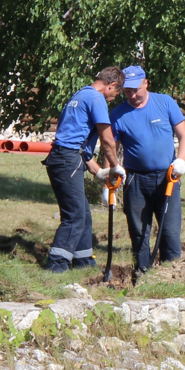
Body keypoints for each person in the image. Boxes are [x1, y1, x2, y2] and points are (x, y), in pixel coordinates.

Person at [109, 65, 185, 280]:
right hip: (135, 180)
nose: (133, 96)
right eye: (128, 91)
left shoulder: (164, 103)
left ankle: (172, 277)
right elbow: (111, 148)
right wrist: (111, 173)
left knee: (170, 232)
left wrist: (181, 160)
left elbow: (184, 136)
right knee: (139, 232)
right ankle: (142, 274)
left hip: (167, 178)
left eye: (136, 90)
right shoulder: (118, 114)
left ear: (146, 83)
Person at [42, 66, 124, 273]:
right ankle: (56, 265)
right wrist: (115, 166)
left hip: (64, 158)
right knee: (75, 216)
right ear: (112, 85)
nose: (112, 99)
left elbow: (75, 141)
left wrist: (99, 172)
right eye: (116, 94)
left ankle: (83, 261)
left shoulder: (79, 95)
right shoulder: (97, 99)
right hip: (67, 160)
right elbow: (107, 139)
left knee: (84, 215)